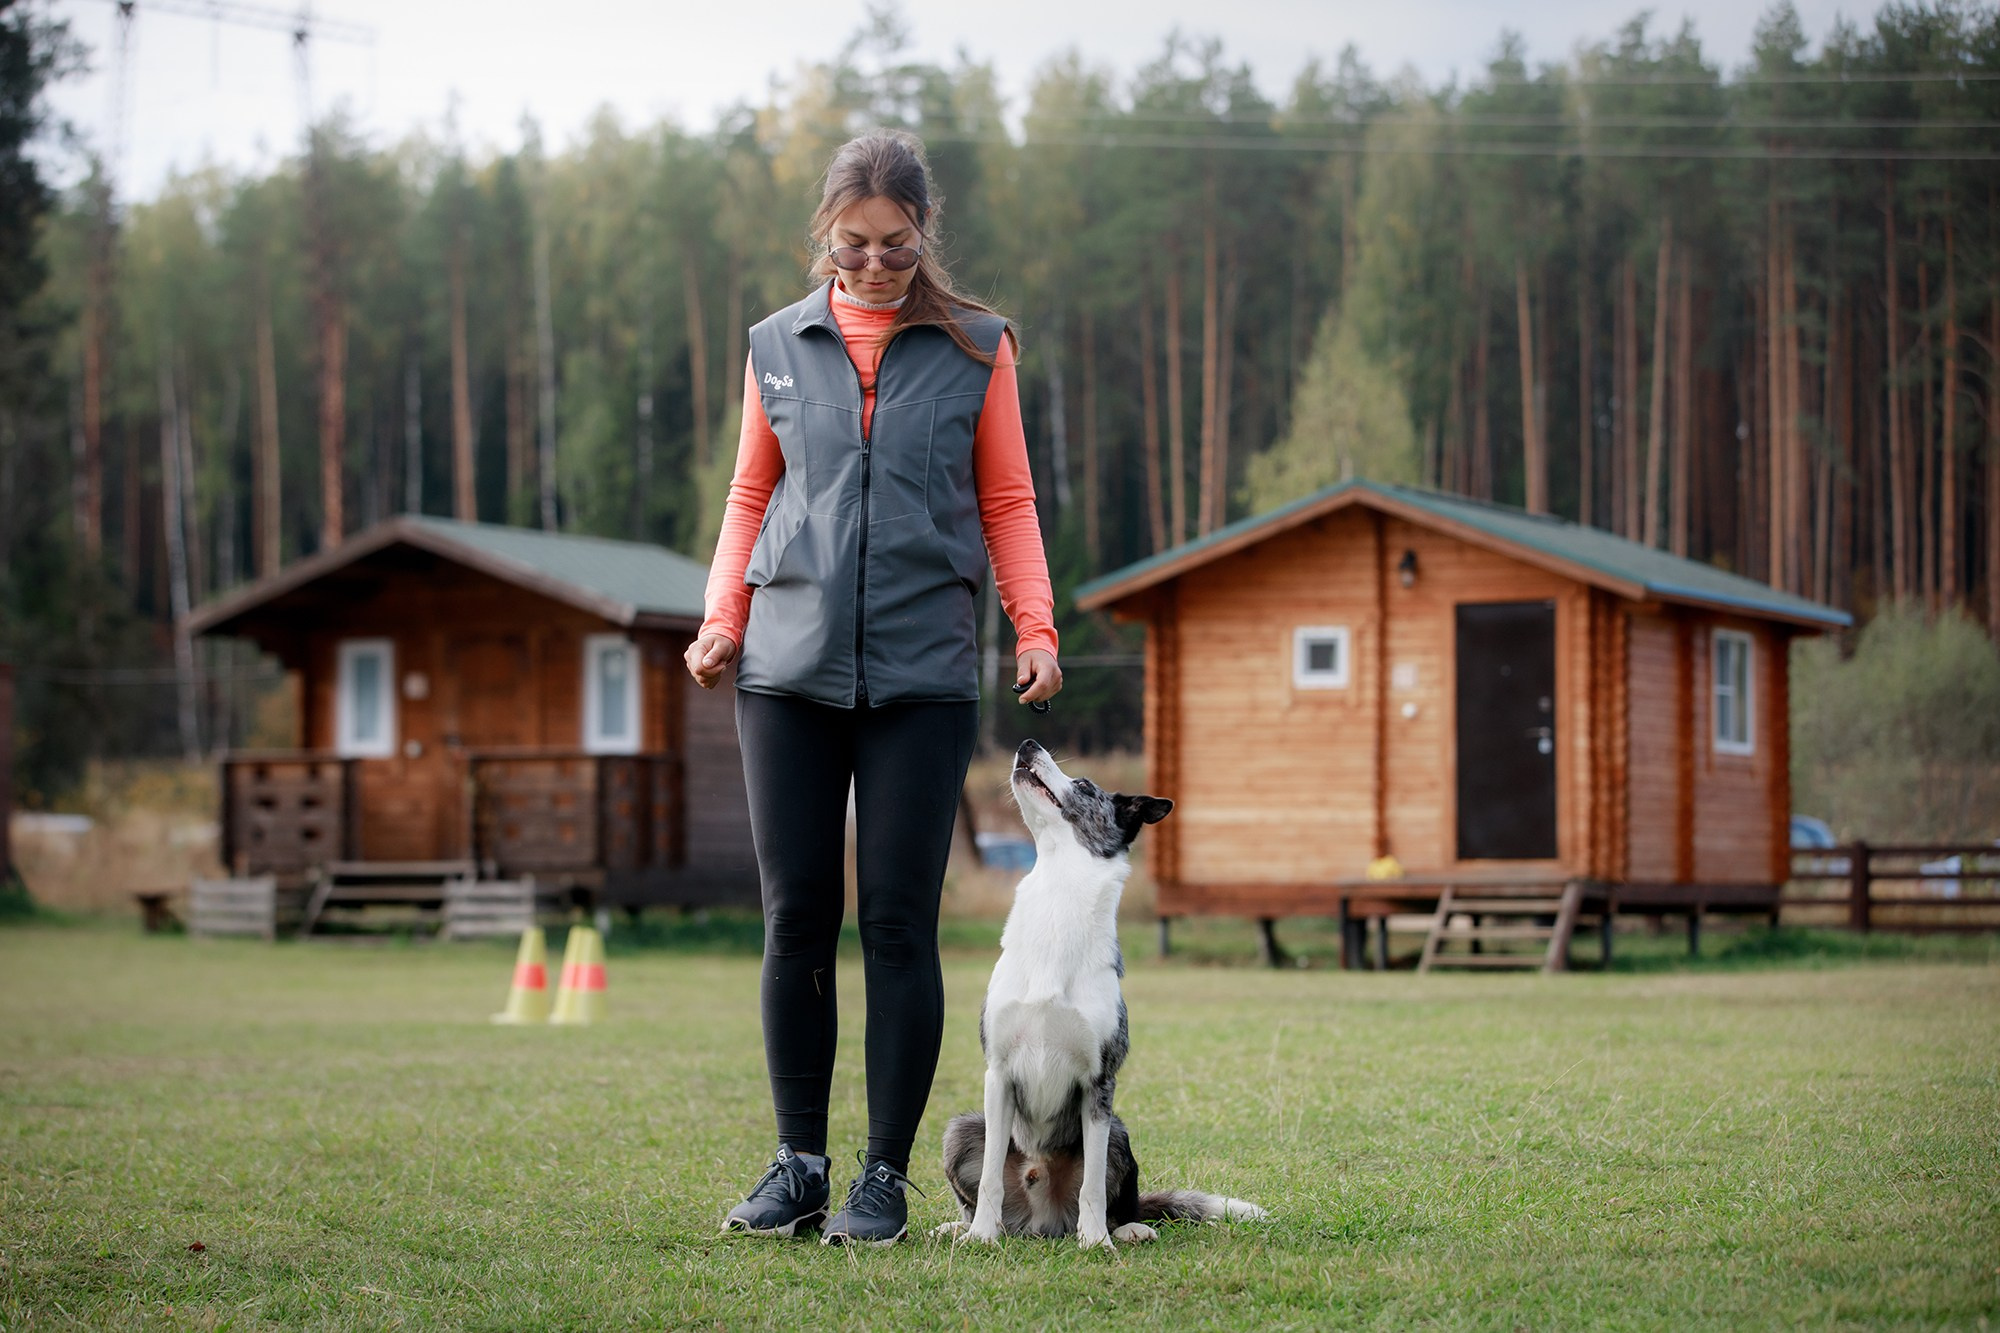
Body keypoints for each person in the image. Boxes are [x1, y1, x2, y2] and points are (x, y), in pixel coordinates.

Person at [685, 130, 1060, 1246]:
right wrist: (721, 621)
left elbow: (1007, 502)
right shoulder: (774, 346)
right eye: (853, 247)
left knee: (896, 923)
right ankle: (799, 1162)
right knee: (795, 919)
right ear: (825, 237)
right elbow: (748, 497)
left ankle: (881, 1178)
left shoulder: (975, 348)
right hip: (785, 673)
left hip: (921, 676)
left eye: (895, 246)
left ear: (923, 235)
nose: (874, 267)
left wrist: (1032, 625)